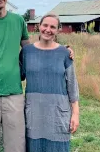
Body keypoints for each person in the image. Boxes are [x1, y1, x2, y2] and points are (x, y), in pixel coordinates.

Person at [0, 0, 74, 152]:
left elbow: (32, 50)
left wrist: (60, 49)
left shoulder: (18, 21)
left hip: (15, 94)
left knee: (16, 146)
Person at [19, 14, 80, 152]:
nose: (48, 29)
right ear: (38, 27)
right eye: (45, 25)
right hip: (34, 113)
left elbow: (72, 86)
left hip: (58, 113)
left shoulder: (65, 53)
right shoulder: (27, 52)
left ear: (58, 30)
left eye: (53, 27)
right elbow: (18, 76)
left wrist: (75, 114)